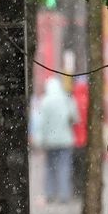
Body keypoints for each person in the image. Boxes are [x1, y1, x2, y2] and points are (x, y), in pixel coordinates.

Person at [34, 76, 78, 204]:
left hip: (50, 142)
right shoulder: (66, 99)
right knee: (64, 168)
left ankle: (50, 194)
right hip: (65, 141)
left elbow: (41, 123)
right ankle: (64, 195)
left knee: (50, 168)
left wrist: (39, 140)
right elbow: (74, 118)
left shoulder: (45, 101)